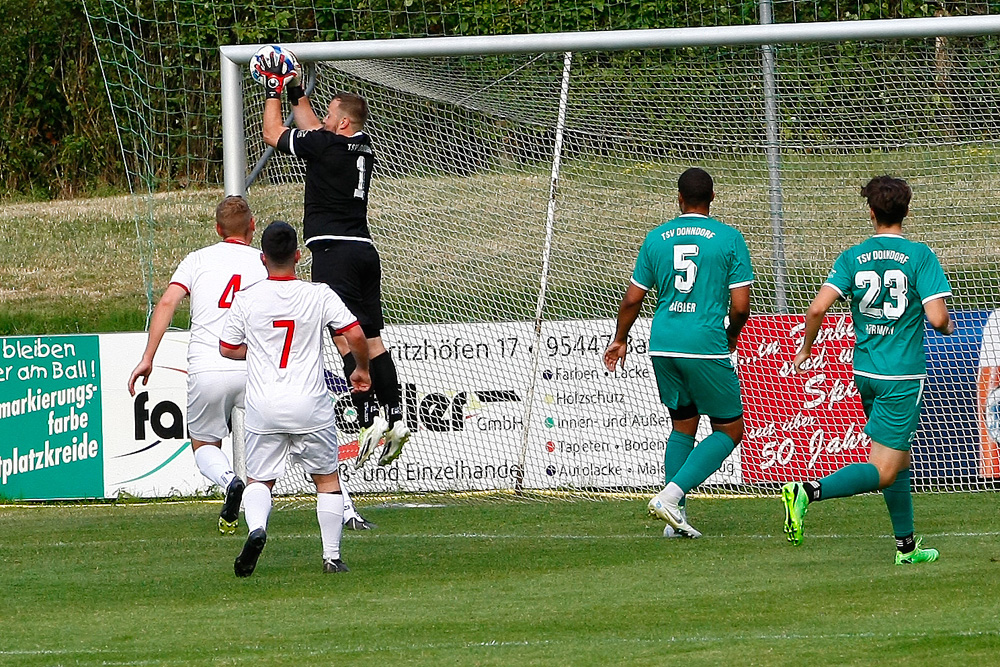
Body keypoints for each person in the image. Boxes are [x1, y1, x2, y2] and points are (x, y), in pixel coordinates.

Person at [784, 175, 954, 565]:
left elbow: (816, 309)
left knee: (898, 458)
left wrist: (806, 348)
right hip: (901, 376)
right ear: (906, 211)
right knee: (884, 469)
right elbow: (937, 316)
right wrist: (946, 325)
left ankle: (906, 547)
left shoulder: (853, 256)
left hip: (866, 374)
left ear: (871, 212)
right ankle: (808, 492)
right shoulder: (920, 255)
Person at [254, 52, 409, 470]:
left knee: (345, 337)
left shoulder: (325, 144)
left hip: (332, 254)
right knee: (373, 338)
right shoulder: (359, 146)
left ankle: (369, 414)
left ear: (341, 122)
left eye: (328, 114)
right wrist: (296, 90)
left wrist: (272, 88)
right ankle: (396, 417)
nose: (322, 119)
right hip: (364, 251)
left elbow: (273, 133)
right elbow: (313, 128)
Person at [604, 167, 753, 539]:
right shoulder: (729, 238)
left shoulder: (656, 238)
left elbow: (633, 298)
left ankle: (675, 521)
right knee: (730, 429)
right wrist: (731, 336)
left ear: (679, 199)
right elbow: (740, 307)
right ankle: (671, 497)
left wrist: (620, 338)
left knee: (683, 424)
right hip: (703, 344)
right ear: (713, 199)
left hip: (663, 343)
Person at [220, 220, 372, 577]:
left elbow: (227, 348)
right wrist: (361, 368)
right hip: (310, 405)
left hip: (263, 406)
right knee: (326, 479)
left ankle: (258, 529)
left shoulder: (246, 299)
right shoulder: (318, 294)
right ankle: (331, 557)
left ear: (262, 258)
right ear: (298, 256)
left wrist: (258, 353)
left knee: (260, 481)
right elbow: (354, 333)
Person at [128, 195, 266, 534]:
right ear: (252, 225)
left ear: (218, 229)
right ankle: (336, 506)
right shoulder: (263, 261)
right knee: (274, 443)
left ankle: (229, 481)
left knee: (204, 444)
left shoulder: (198, 260)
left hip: (207, 366)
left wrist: (148, 358)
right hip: (254, 365)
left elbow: (168, 302)